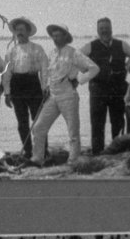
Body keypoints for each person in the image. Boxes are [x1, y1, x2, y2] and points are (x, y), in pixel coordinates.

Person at [29, 24, 99, 165]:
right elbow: (47, 73)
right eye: (53, 36)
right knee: (38, 127)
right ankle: (37, 158)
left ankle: (73, 160)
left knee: (73, 131)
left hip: (68, 95)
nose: (55, 38)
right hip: (53, 95)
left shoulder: (74, 53)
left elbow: (94, 68)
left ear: (65, 37)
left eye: (58, 35)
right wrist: (46, 86)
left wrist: (79, 79)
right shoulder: (52, 53)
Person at [85, 18, 130, 152]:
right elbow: (77, 57)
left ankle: (117, 150)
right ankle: (97, 151)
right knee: (97, 122)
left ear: (111, 29)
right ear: (97, 30)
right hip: (98, 89)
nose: (104, 30)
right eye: (101, 28)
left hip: (118, 88)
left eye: (106, 28)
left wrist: (127, 67)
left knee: (118, 121)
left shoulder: (121, 44)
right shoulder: (91, 45)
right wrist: (87, 71)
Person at [1, 18, 49, 157]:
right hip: (17, 86)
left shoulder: (37, 48)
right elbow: (7, 73)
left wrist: (45, 87)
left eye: (22, 30)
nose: (19, 33)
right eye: (17, 30)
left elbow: (45, 69)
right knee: (22, 122)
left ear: (28, 32)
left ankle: (42, 151)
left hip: (33, 84)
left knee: (39, 121)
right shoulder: (11, 51)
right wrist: (7, 93)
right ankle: (27, 151)